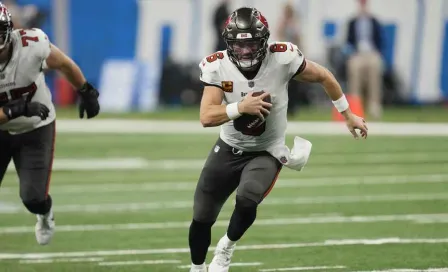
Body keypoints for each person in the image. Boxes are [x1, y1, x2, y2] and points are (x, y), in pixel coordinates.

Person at [188, 7, 368, 271]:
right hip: (229, 147)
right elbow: (206, 116)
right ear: (228, 43)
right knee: (202, 216)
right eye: (239, 45)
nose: (246, 51)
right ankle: (197, 267)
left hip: (266, 150)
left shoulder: (283, 58)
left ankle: (226, 247)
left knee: (248, 198)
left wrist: (348, 114)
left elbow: (324, 76)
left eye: (251, 44)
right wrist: (240, 108)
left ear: (263, 41)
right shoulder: (217, 65)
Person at [0, 2, 100, 246]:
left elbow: (63, 63)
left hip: (36, 128)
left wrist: (86, 91)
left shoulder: (31, 44)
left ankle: (44, 213)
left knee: (33, 198)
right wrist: (17, 108)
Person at [346, 0, 384, 119]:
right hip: (357, 54)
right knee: (354, 69)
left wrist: (377, 52)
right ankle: (356, 106)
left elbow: (380, 40)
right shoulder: (352, 22)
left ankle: (374, 106)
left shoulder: (374, 21)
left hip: (371, 53)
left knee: (375, 67)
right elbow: (348, 41)